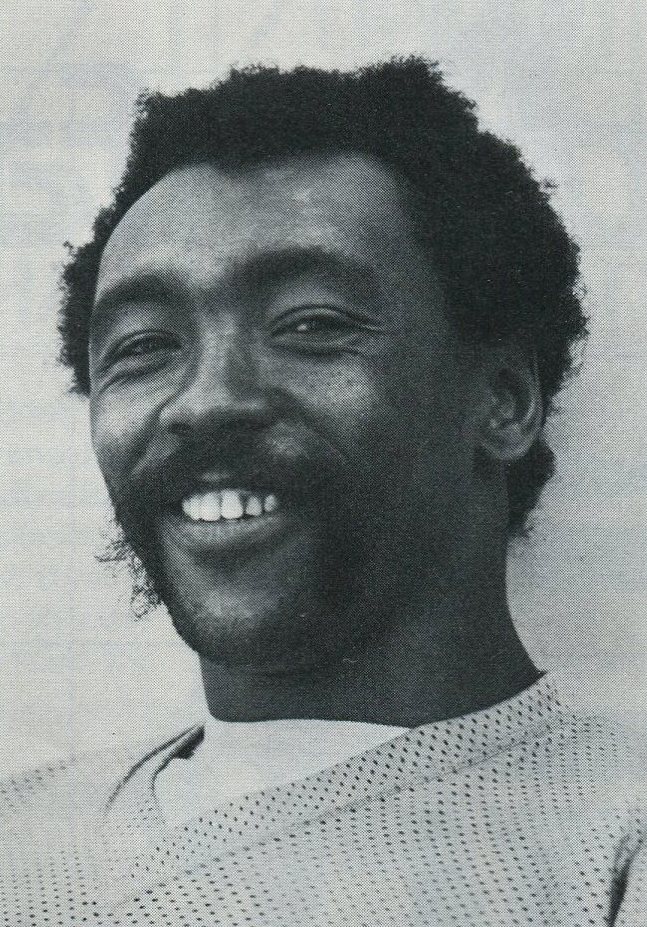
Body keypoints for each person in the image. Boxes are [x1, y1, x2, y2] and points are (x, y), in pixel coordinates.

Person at [1, 57, 644, 926]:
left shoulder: (612, 839)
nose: (205, 400)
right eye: (144, 345)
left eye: (310, 323)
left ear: (501, 401)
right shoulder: (18, 826)